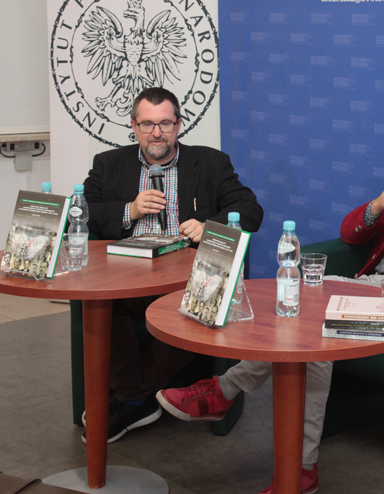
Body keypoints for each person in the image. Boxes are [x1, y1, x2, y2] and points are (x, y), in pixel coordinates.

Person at [156, 104, 384, 494]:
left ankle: (228, 395)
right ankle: (296, 464)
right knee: (298, 302)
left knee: (314, 332)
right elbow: (350, 233)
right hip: (365, 286)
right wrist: (380, 205)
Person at [83, 87, 263, 443]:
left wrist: (210, 225)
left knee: (196, 303)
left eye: (165, 123)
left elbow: (250, 209)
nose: (157, 133)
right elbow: (82, 212)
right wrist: (129, 210)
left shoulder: (210, 163)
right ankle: (137, 397)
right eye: (147, 124)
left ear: (178, 125)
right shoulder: (109, 164)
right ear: (134, 126)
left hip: (185, 277)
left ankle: (133, 399)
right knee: (101, 301)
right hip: (126, 274)